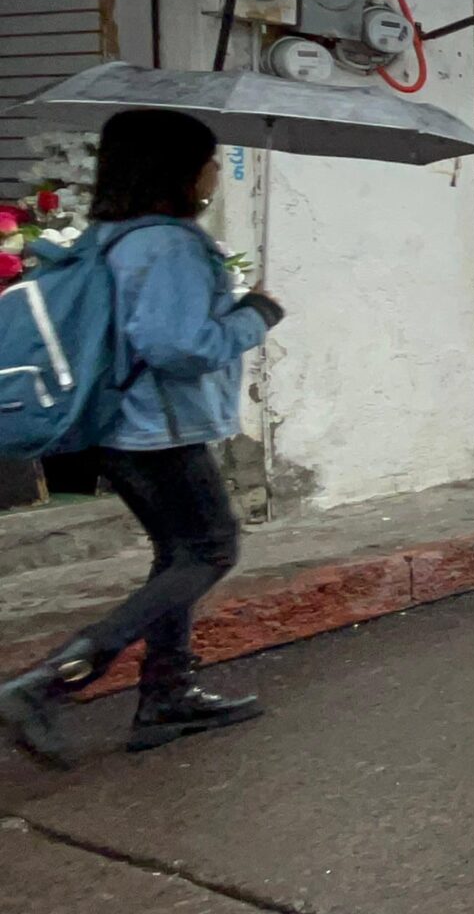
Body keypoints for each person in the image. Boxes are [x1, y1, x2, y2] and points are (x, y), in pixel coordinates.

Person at [0, 111, 285, 765]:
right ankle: (52, 681)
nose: (215, 171)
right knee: (210, 551)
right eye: (209, 159)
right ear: (178, 170)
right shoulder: (169, 245)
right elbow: (179, 347)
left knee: (177, 556)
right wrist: (255, 316)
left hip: (118, 427)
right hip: (158, 431)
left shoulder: (113, 237)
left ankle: (167, 694)